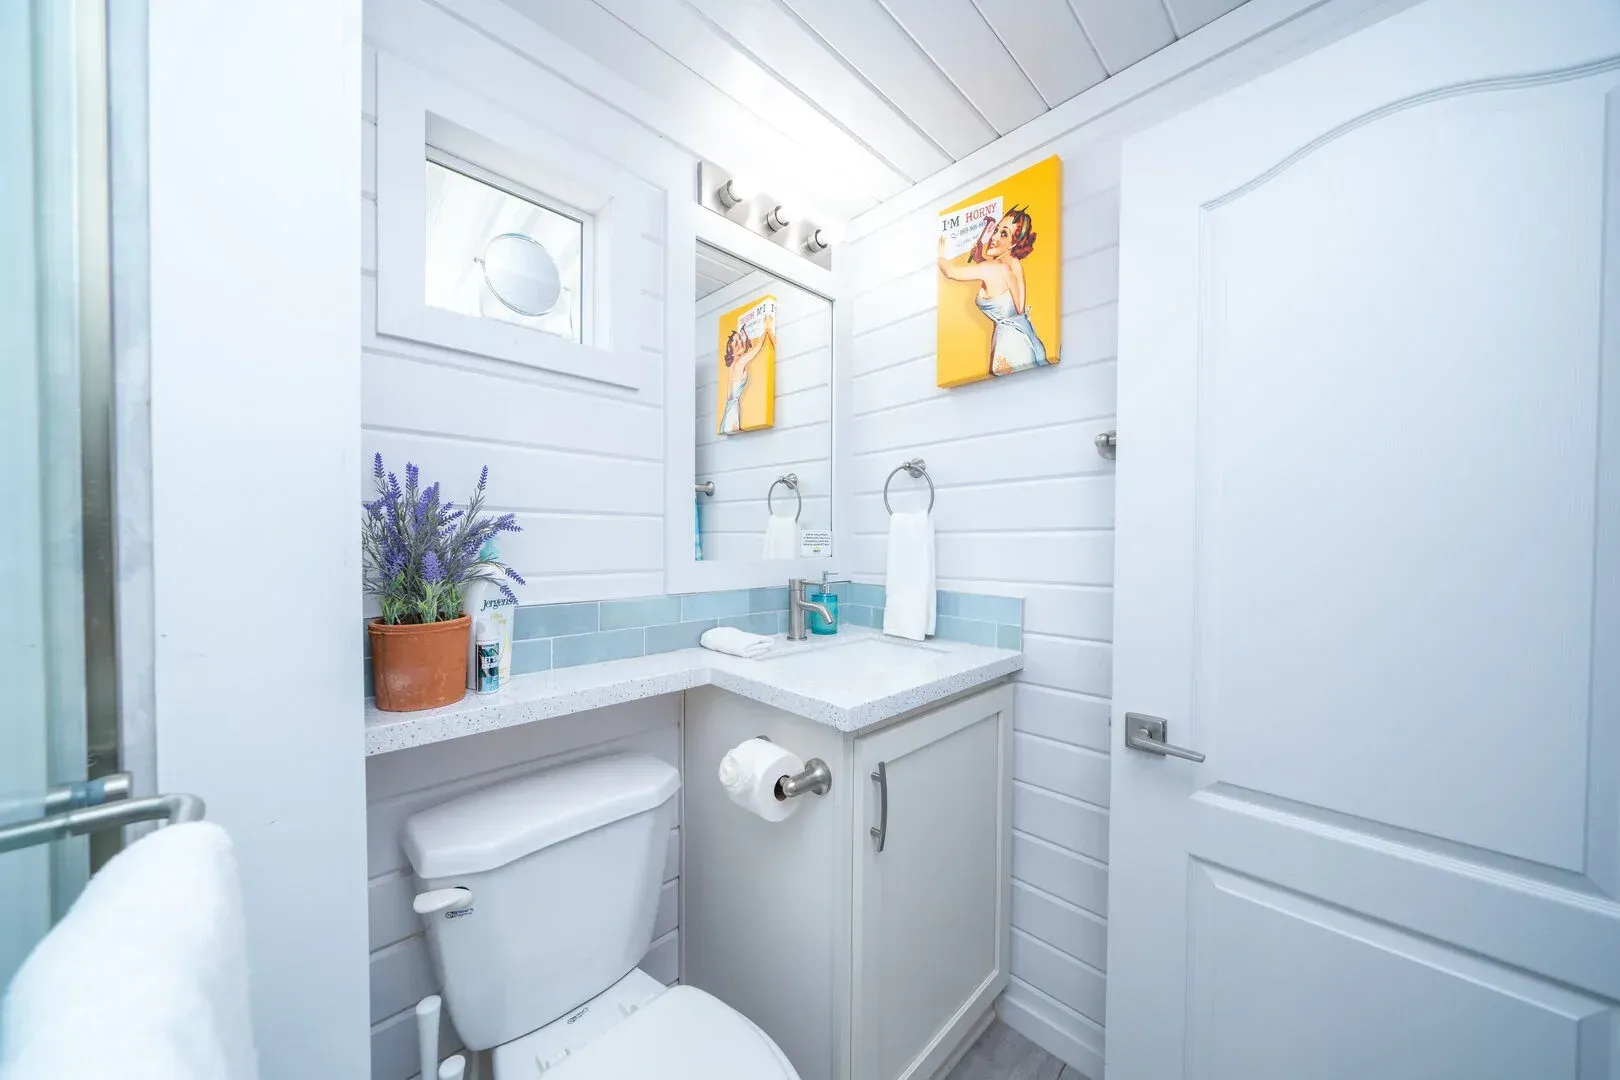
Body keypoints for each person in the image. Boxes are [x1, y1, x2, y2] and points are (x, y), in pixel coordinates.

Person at [937, 207, 1051, 377]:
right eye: (996, 230)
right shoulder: (1013, 266)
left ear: (1013, 243)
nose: (994, 237)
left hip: (1011, 347)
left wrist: (939, 254)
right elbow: (1015, 305)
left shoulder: (992, 268)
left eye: (1003, 234)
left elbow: (951, 272)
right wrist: (980, 260)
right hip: (1029, 341)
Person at [719, 309, 774, 434]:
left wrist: (745, 339)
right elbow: (757, 349)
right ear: (730, 348)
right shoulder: (739, 363)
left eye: (740, 340)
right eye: (736, 342)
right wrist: (767, 329)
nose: (740, 343)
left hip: (729, 413)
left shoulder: (734, 365)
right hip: (731, 415)